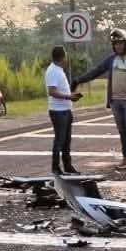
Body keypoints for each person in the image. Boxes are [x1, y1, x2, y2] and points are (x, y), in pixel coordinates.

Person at [74, 28, 126, 171]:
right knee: (122, 130)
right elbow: (96, 71)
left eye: (120, 43)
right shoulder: (111, 59)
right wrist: (78, 80)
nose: (118, 46)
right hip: (115, 101)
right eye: (115, 44)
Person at [45, 46, 82, 174]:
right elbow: (52, 92)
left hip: (65, 109)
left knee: (66, 141)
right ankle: (55, 167)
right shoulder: (53, 71)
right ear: (63, 57)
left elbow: (59, 90)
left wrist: (71, 96)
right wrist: (68, 97)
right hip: (58, 111)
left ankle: (68, 166)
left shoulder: (58, 70)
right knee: (60, 141)